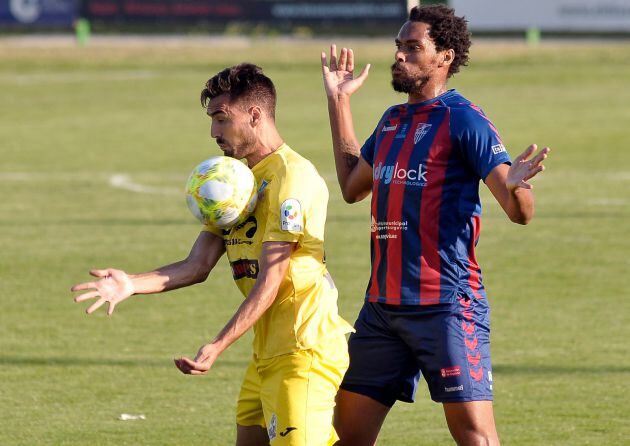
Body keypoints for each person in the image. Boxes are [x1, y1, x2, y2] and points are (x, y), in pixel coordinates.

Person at [72, 63, 353, 446]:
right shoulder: (233, 181)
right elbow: (197, 265)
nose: (213, 132)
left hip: (303, 352)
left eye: (222, 118)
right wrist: (131, 284)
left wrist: (217, 345)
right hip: (265, 353)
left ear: (254, 115)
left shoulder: (292, 178)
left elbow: (272, 280)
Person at [320, 5, 549, 445]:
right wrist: (339, 101)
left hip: (446, 306)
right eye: (398, 47)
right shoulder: (391, 121)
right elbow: (352, 186)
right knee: (345, 435)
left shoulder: (463, 120)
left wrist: (517, 187)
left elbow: (521, 212)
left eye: (413, 47)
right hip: (382, 310)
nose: (400, 56)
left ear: (444, 57)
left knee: (476, 438)